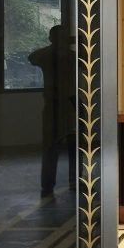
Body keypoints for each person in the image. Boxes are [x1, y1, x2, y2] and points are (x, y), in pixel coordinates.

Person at [28, 24, 76, 198]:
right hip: (59, 104)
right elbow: (32, 57)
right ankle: (58, 183)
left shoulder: (66, 56)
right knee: (56, 147)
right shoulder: (62, 55)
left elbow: (32, 57)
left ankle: (53, 184)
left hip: (65, 104)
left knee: (66, 147)